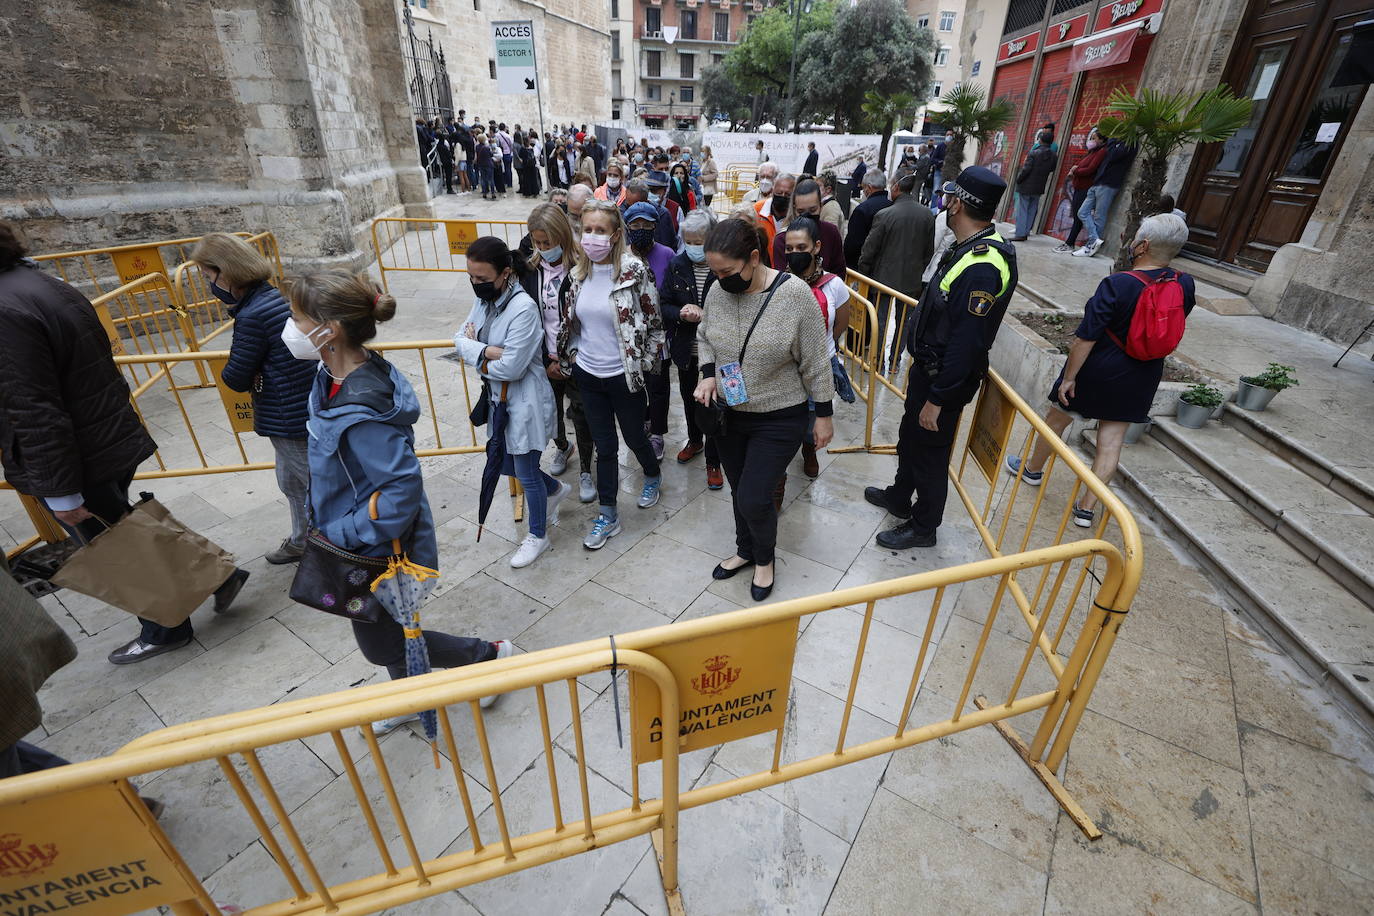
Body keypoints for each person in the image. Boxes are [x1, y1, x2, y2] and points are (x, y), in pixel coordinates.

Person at [0, 224, 250, 665]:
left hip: (77, 456)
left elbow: (32, 407)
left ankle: (165, 629)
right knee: (126, 526)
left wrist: (60, 492)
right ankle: (217, 576)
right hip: (103, 437)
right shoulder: (41, 283)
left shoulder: (7, 307)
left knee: (115, 547)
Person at [285, 270, 513, 724]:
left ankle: (486, 656)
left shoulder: (362, 409)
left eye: (296, 318)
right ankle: (412, 698)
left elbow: (401, 491)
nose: (290, 328)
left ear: (328, 331)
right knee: (381, 624)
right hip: (358, 541)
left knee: (382, 641)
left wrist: (338, 532)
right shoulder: (332, 373)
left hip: (374, 549)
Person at [865, 167, 1018, 549]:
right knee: (910, 439)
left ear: (958, 204)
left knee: (930, 454)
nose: (944, 204)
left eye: (949, 198)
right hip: (929, 371)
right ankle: (900, 497)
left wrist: (938, 399)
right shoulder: (970, 246)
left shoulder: (984, 265)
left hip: (942, 380)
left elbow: (967, 342)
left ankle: (923, 526)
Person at [1008, 215, 1194, 528]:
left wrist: (1069, 377)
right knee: (1111, 442)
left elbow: (1087, 336)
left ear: (1143, 246)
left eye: (1136, 237)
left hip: (1098, 370)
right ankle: (1086, 508)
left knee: (1056, 420)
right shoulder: (1184, 282)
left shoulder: (1118, 283)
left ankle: (1032, 470)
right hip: (1142, 375)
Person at [694, 218, 835, 602]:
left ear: (754, 257)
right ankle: (744, 549)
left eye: (727, 270)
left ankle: (764, 559)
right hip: (729, 413)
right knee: (740, 490)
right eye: (714, 271)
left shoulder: (794, 296)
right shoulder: (719, 290)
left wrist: (823, 413)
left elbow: (816, 361)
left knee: (756, 496)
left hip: (778, 416)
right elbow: (705, 335)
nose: (720, 279)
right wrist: (708, 375)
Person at [191, 233, 315, 565]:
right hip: (298, 405)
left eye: (208, 277)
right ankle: (303, 540)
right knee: (292, 481)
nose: (208, 286)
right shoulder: (272, 296)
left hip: (287, 413)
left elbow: (235, 376)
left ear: (226, 272)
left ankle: (347, 550)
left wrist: (252, 368)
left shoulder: (251, 315)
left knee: (316, 485)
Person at [554, 200, 665, 550]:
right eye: (587, 229)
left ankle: (651, 473)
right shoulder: (577, 275)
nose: (592, 237)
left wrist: (644, 364)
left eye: (600, 230)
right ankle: (608, 514)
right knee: (605, 446)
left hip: (624, 377)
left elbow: (655, 324)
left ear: (615, 234)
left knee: (634, 437)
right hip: (588, 375)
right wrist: (571, 356)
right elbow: (570, 324)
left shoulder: (635, 271)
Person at [455, 239, 569, 567]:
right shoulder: (484, 302)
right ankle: (556, 490)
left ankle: (538, 536)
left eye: (483, 279)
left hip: (525, 400)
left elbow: (512, 367)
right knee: (506, 463)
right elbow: (458, 338)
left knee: (526, 471)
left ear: (505, 273)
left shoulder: (523, 309)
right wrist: (486, 351)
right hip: (498, 400)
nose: (477, 285)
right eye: (472, 278)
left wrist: (474, 349)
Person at [520, 204, 597, 501]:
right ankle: (563, 447)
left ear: (561, 237)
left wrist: (568, 359)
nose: (542, 248)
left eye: (547, 243)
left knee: (581, 415)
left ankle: (587, 470)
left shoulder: (582, 267)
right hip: (543, 358)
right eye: (537, 242)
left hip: (578, 357)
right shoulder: (529, 271)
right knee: (549, 411)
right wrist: (546, 357)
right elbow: (528, 318)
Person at [659, 209, 723, 489]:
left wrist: (704, 314)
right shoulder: (677, 264)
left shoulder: (722, 266)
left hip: (715, 351)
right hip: (686, 348)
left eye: (699, 241)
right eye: (689, 241)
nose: (694, 247)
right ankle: (695, 441)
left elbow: (732, 308)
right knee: (688, 398)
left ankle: (714, 459)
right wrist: (680, 313)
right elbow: (664, 303)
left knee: (712, 405)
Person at [783, 217, 851, 480]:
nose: (795, 254)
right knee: (786, 419)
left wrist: (818, 349)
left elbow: (840, 325)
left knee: (813, 416)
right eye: (789, 249)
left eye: (801, 247)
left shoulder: (834, 285)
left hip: (820, 365)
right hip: (786, 366)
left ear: (817, 247)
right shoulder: (778, 283)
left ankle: (809, 451)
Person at [858, 171, 936, 372]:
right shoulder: (927, 215)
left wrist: (864, 272)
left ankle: (876, 361)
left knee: (880, 321)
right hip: (911, 280)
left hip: (881, 280)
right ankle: (894, 362)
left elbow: (869, 249)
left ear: (895, 187)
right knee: (904, 322)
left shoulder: (885, 215)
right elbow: (929, 251)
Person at [625, 201, 677, 462]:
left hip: (659, 335)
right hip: (630, 336)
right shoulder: (621, 256)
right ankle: (641, 422)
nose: (642, 229)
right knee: (634, 386)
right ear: (628, 226)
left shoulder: (667, 254)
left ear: (655, 226)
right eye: (636, 224)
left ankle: (657, 433)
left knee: (658, 387)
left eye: (647, 224)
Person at [769, 178, 846, 282]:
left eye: (813, 210)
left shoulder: (831, 232)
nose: (807, 215)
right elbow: (781, 281)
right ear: (794, 209)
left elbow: (839, 272)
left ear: (821, 206)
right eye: (801, 211)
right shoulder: (782, 239)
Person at [1073, 136, 1137, 258]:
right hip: (1098, 183)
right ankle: (1095, 239)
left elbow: (1114, 155)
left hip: (1109, 184)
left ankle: (1090, 247)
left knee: (1099, 216)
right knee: (1082, 212)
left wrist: (1112, 141)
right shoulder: (1117, 143)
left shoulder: (1130, 143)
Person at [1053, 129, 1108, 253]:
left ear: (1102, 140)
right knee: (1077, 214)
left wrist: (1075, 171)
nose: (1091, 141)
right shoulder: (1092, 152)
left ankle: (1070, 243)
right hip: (1079, 186)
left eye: (1095, 138)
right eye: (1091, 138)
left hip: (1085, 187)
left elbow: (1090, 169)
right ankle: (1070, 242)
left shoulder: (1101, 152)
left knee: (1079, 215)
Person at [1011, 129, 1059, 241]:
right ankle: (1026, 232)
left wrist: (1018, 180)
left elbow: (1026, 169)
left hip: (1027, 185)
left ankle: (1020, 233)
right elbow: (1052, 169)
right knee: (1032, 209)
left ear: (1040, 140)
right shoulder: (1053, 156)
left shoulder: (1034, 153)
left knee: (1023, 209)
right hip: (1039, 186)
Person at [844, 169, 891, 267]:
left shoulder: (862, 210)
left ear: (869, 188)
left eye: (863, 188)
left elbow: (852, 244)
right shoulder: (892, 206)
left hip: (863, 265)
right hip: (886, 264)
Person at [623, 178, 678, 250]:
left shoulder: (662, 214)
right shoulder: (622, 210)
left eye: (636, 204)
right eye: (628, 204)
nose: (631, 209)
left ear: (645, 201)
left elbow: (667, 244)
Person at [754, 172, 796, 259]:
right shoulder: (757, 209)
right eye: (779, 193)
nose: (783, 196)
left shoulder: (797, 215)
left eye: (788, 194)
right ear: (773, 190)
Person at [818, 170, 847, 238]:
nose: (815, 188)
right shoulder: (826, 204)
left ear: (828, 189)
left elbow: (830, 236)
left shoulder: (832, 207)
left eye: (818, 186)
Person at [929, 131, 951, 210]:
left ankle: (942, 209)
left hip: (950, 173)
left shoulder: (954, 148)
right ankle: (933, 210)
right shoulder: (940, 146)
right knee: (936, 191)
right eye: (948, 135)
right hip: (939, 171)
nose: (949, 136)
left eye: (951, 135)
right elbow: (932, 159)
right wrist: (940, 162)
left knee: (947, 192)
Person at [475, 131, 497, 200]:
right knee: (491, 179)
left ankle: (484, 192)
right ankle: (493, 193)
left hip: (481, 164)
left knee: (483, 179)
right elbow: (491, 155)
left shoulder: (477, 147)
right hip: (488, 164)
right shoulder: (486, 147)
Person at [436, 127, 456, 194]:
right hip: (447, 162)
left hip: (443, 161)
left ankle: (449, 188)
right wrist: (452, 161)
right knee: (448, 176)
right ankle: (449, 189)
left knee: (448, 175)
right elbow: (448, 154)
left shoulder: (439, 145)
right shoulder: (443, 146)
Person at [497, 123, 515, 192]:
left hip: (500, 153)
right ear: (505, 128)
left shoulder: (497, 135)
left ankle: (503, 182)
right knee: (508, 169)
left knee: (502, 169)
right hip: (507, 153)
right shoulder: (507, 136)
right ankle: (509, 183)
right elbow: (511, 145)